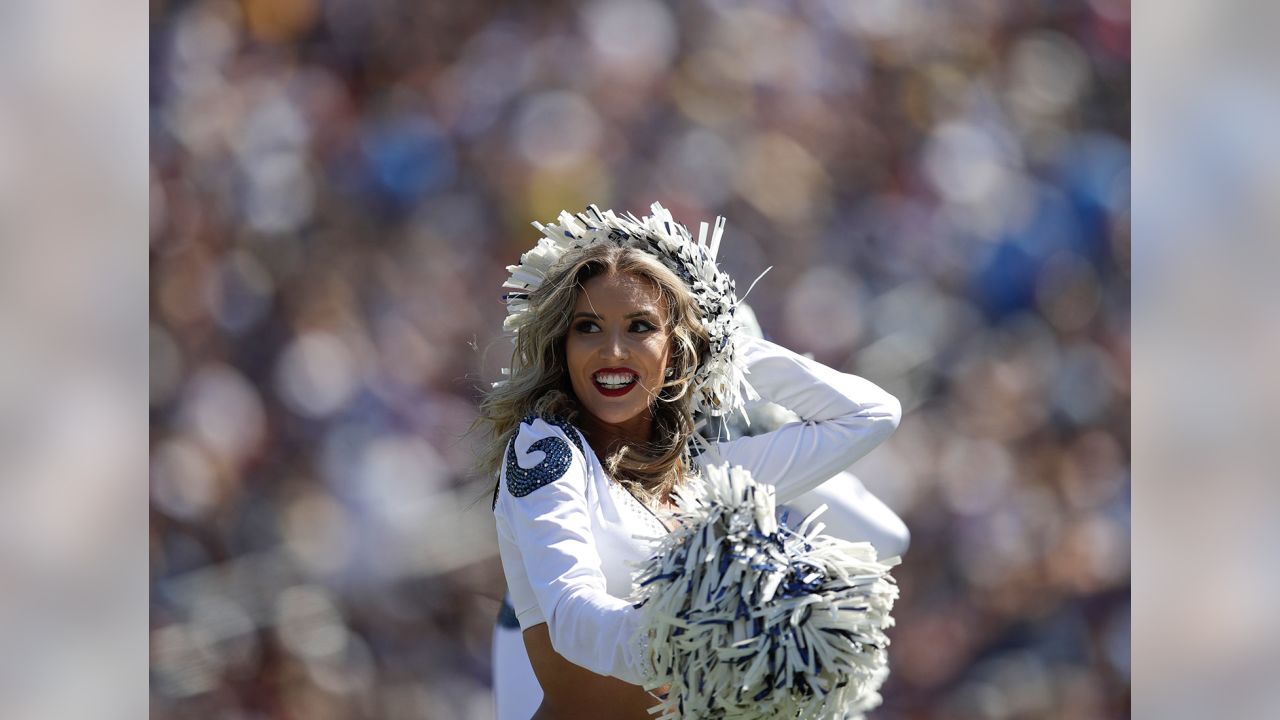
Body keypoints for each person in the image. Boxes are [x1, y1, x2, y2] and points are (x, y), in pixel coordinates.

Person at [477, 204, 902, 719]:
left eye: (640, 327)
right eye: (588, 327)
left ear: (678, 347)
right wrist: (700, 644)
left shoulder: (704, 470)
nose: (613, 351)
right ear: (562, 345)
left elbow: (870, 415)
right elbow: (571, 616)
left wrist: (725, 346)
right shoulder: (546, 449)